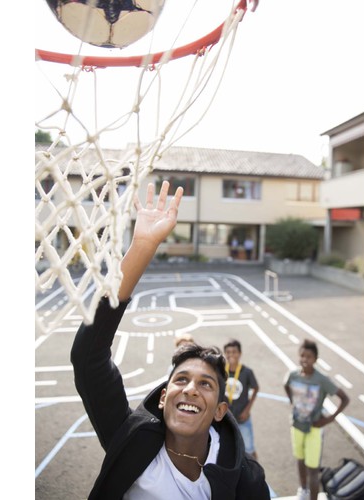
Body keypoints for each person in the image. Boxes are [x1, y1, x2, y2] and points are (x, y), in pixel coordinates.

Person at [71, 181, 270, 499]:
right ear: (163, 398)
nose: (191, 388)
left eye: (206, 384)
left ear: (220, 411)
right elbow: (88, 358)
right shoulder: (130, 442)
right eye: (182, 380)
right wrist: (143, 247)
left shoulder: (246, 482)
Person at [284, 339, 350, 500]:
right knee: (300, 459)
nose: (305, 360)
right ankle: (303, 490)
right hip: (297, 425)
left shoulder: (321, 380)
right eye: (302, 356)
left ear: (316, 359)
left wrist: (329, 419)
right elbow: (286, 385)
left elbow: (344, 398)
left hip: (314, 428)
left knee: (313, 469)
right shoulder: (293, 375)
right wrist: (294, 403)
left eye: (309, 357)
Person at [223, 340, 260, 460]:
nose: (231, 355)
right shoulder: (222, 372)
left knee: (249, 449)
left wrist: (247, 409)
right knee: (229, 449)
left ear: (240, 353)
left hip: (242, 417)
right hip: (226, 418)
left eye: (234, 352)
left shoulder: (247, 372)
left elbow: (256, 387)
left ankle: (255, 474)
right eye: (228, 352)